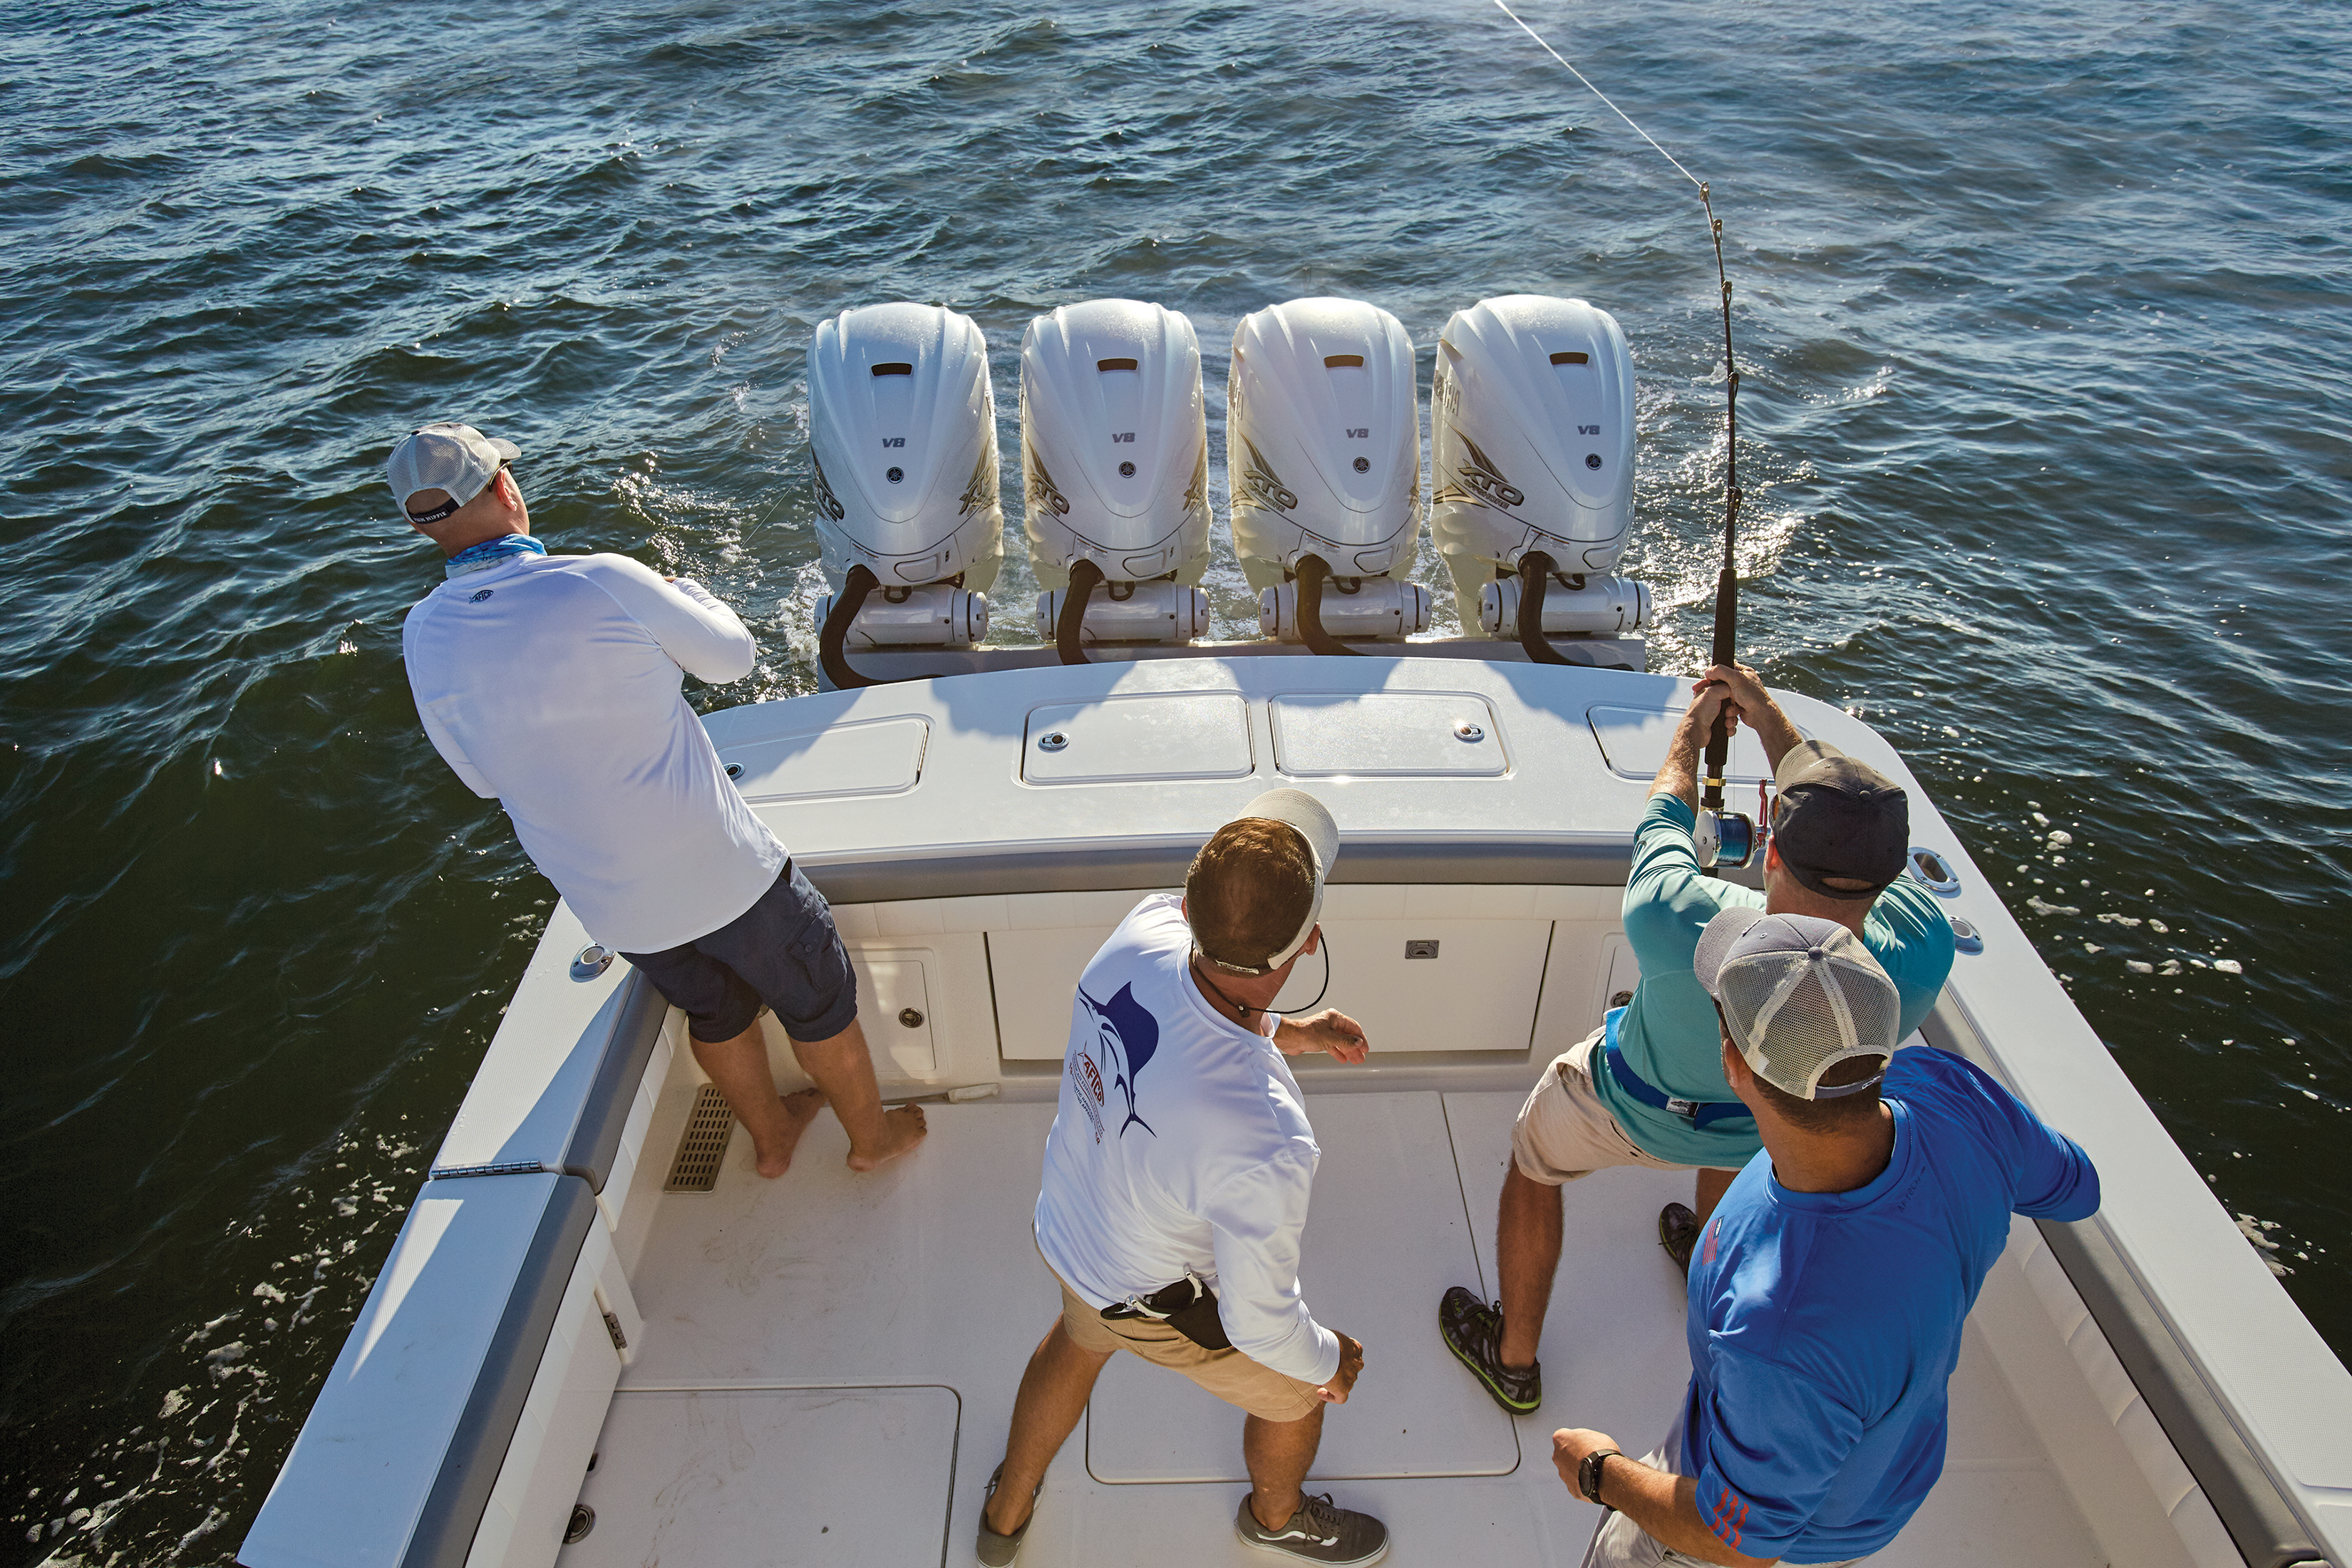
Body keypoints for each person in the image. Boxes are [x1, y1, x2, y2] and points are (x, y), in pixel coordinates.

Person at [391, 421, 924, 1178]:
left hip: (613, 904)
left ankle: (771, 1140)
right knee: (818, 1000)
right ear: (506, 486)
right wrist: (689, 593)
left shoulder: (422, 632)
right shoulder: (601, 577)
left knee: (715, 1011)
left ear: (418, 524)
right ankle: (872, 1144)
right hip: (724, 872)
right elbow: (732, 660)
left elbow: (479, 778)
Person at [1441, 664, 1954, 1415]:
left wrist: (1701, 726)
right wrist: (1776, 720)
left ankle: (1513, 1357)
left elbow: (1668, 804)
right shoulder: (1921, 944)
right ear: (1888, 873)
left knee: (1534, 1159)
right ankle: (1704, 1247)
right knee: (1743, 1132)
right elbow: (1857, 842)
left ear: (1771, 850)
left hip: (1629, 1106)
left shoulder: (1676, 911)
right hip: (1773, 1135)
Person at [1548, 907, 2098, 1566]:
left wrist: (1599, 1473)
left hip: (1759, 1532)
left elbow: (1741, 1543)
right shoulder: (1949, 1090)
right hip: (1876, 1487)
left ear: (1735, 1065)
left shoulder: (1777, 1331)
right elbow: (2075, 1186)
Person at [976, 789, 1388, 1568]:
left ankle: (1008, 1507)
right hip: (1150, 1294)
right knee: (1297, 1394)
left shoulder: (1147, 926)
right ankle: (1276, 1518)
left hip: (1071, 1224)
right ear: (1309, 945)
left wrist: (1290, 1030)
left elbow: (1202, 995)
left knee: (1077, 1337)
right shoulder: (1264, 1134)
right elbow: (1263, 1324)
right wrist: (1330, 1360)